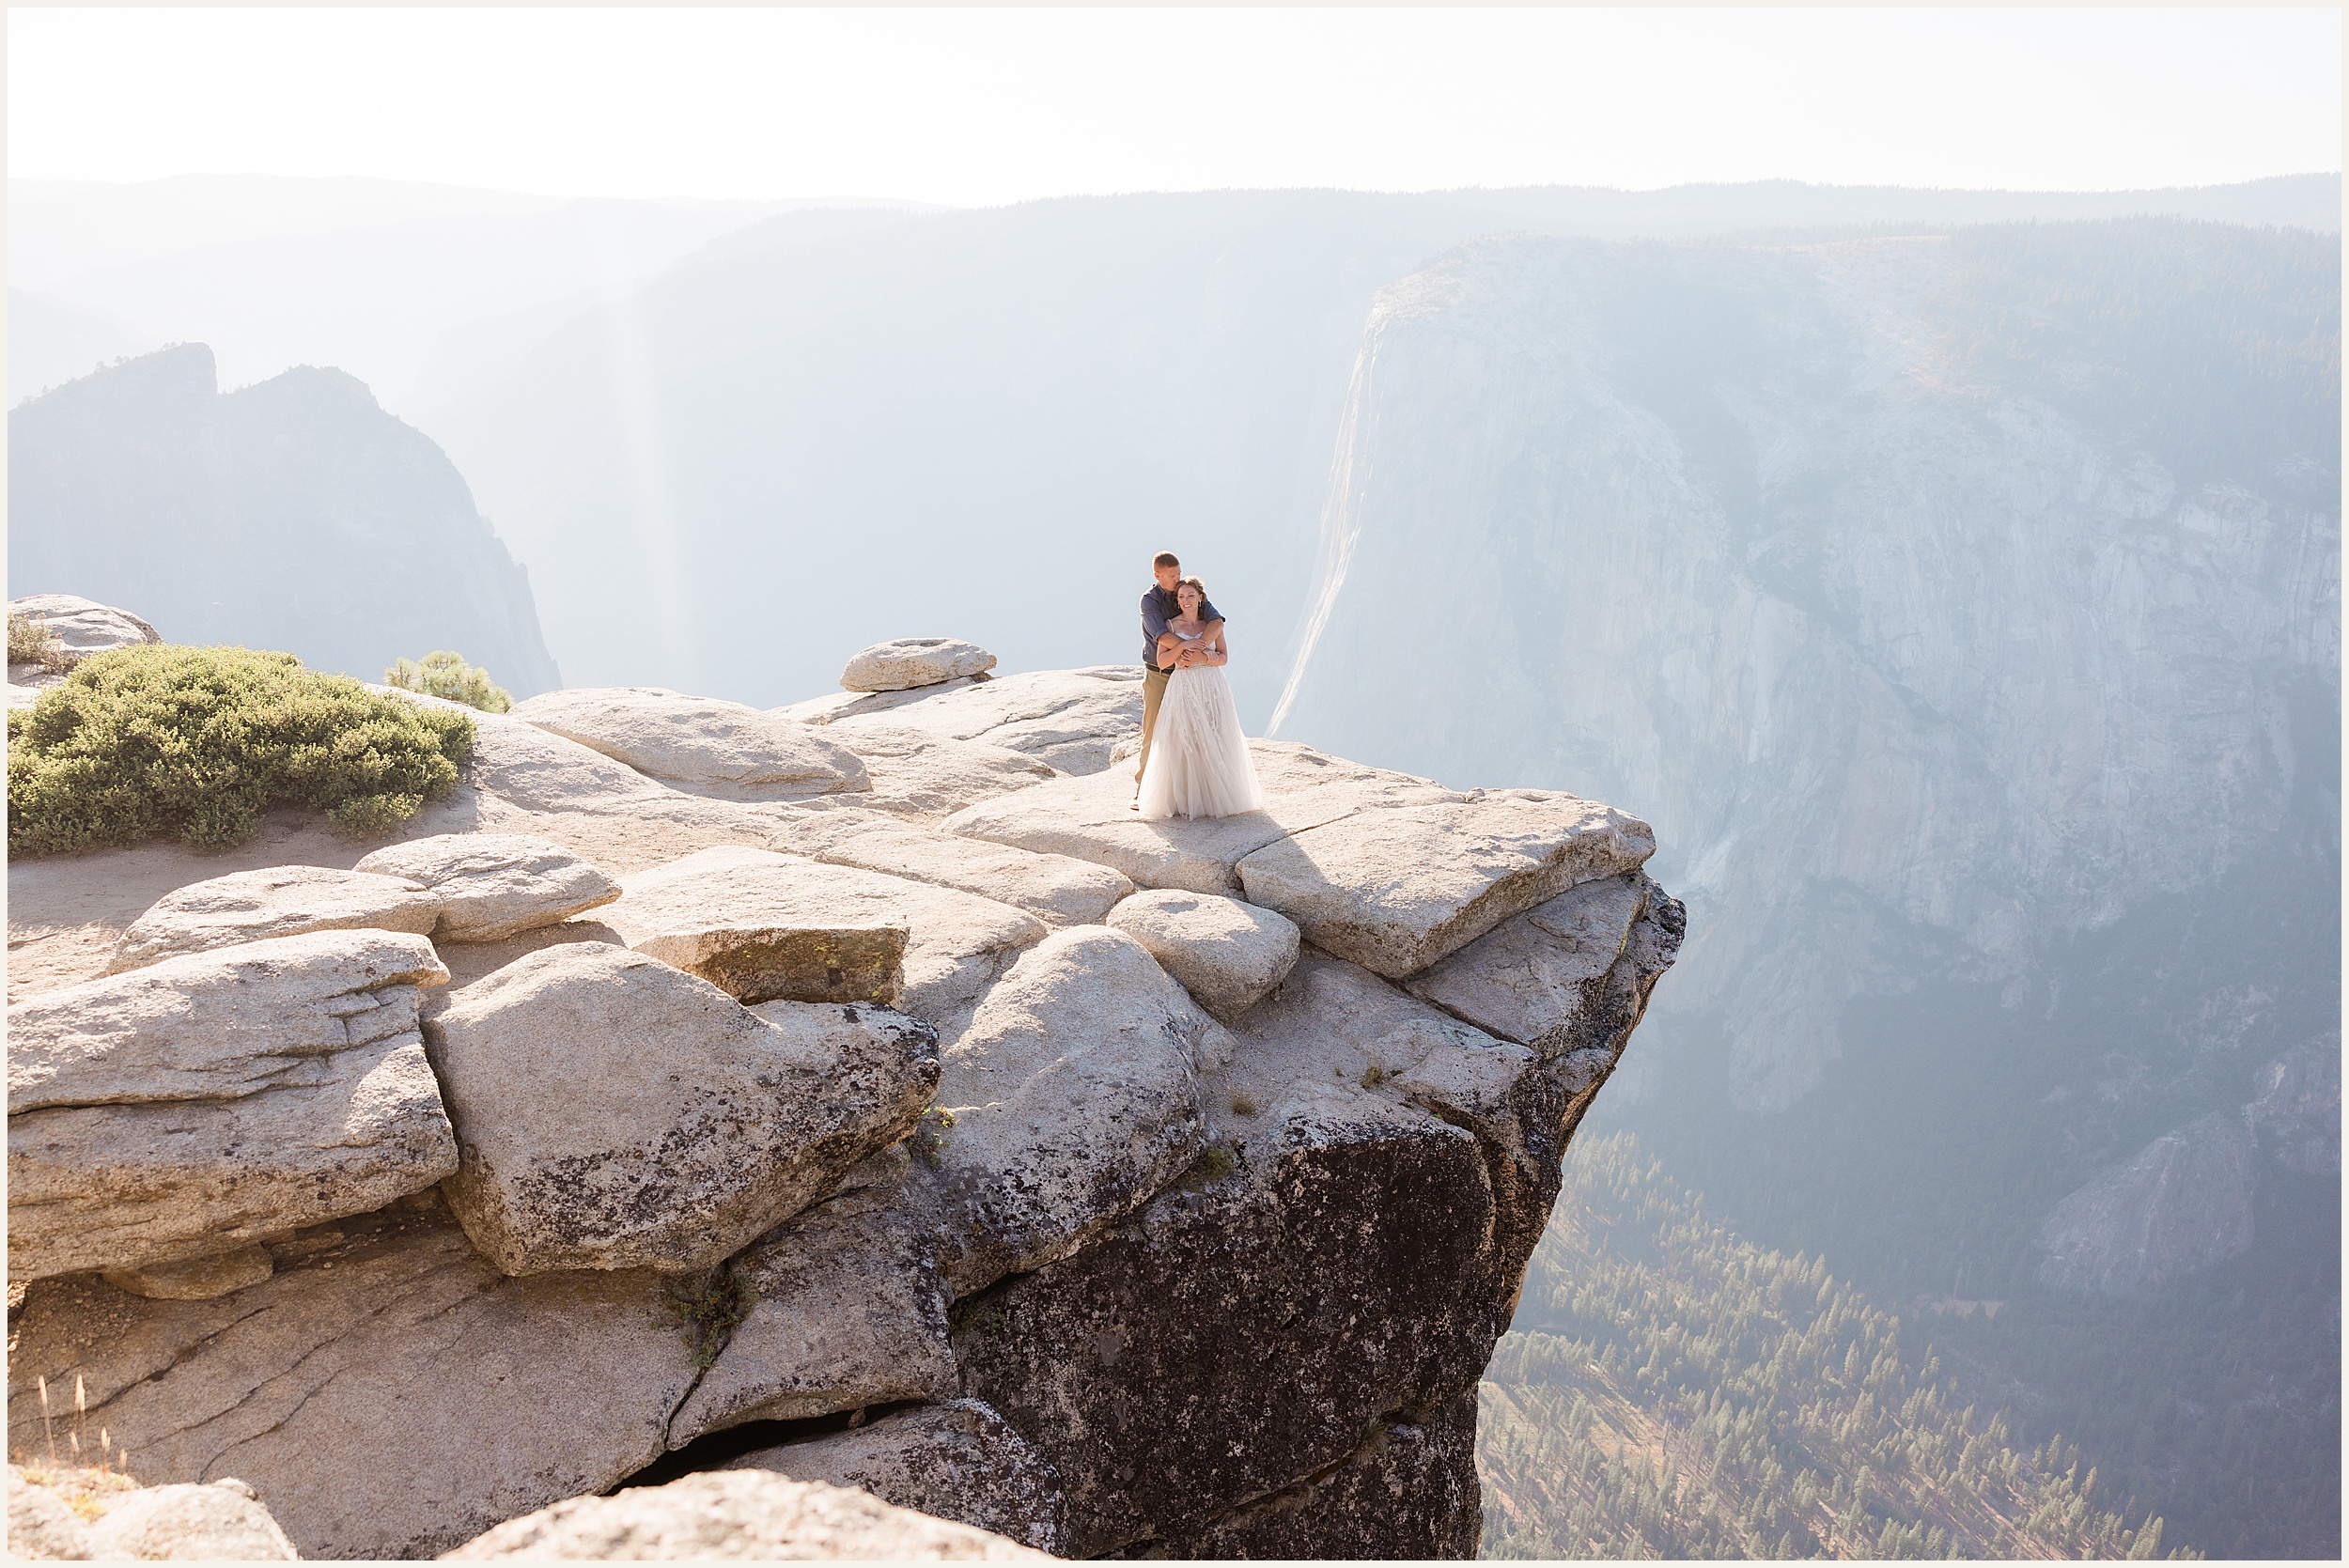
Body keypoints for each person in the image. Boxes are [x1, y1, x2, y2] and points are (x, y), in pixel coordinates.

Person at [1135, 575, 1265, 820]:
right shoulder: (1170, 626)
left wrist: (1202, 657)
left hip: (1212, 687)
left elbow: (1224, 657)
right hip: (1184, 686)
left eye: (1190, 596)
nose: (1186, 600)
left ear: (1201, 598)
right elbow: (1162, 661)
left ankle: (1214, 796)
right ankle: (1184, 797)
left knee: (1216, 736)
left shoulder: (1211, 625)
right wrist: (1182, 648)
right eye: (1181, 596)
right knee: (1185, 739)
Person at [1134, 551, 1224, 799]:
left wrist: (1199, 648)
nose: (1177, 579)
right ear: (1157, 575)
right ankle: (1143, 788)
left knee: (1191, 730)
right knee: (1153, 729)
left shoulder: (1187, 592)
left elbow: (1217, 622)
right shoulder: (1149, 601)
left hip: (1192, 675)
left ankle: (1188, 791)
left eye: (1179, 573)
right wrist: (1186, 649)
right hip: (1160, 672)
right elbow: (1162, 635)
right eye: (1172, 575)